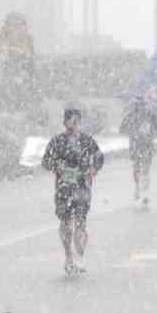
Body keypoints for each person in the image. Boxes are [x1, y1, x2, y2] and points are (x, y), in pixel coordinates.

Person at [40, 103, 104, 276]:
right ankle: (69, 257)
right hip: (64, 188)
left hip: (83, 186)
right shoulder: (57, 141)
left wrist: (93, 169)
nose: (74, 124)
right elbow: (45, 161)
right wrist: (56, 166)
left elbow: (99, 157)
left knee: (81, 222)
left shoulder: (87, 141)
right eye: (71, 121)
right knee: (66, 224)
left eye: (77, 121)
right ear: (65, 122)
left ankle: (80, 256)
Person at [120, 96, 157, 208]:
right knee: (144, 167)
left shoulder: (131, 115)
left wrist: (133, 132)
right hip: (145, 145)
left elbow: (122, 129)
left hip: (137, 145)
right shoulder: (149, 115)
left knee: (137, 166)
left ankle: (139, 187)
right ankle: (143, 187)